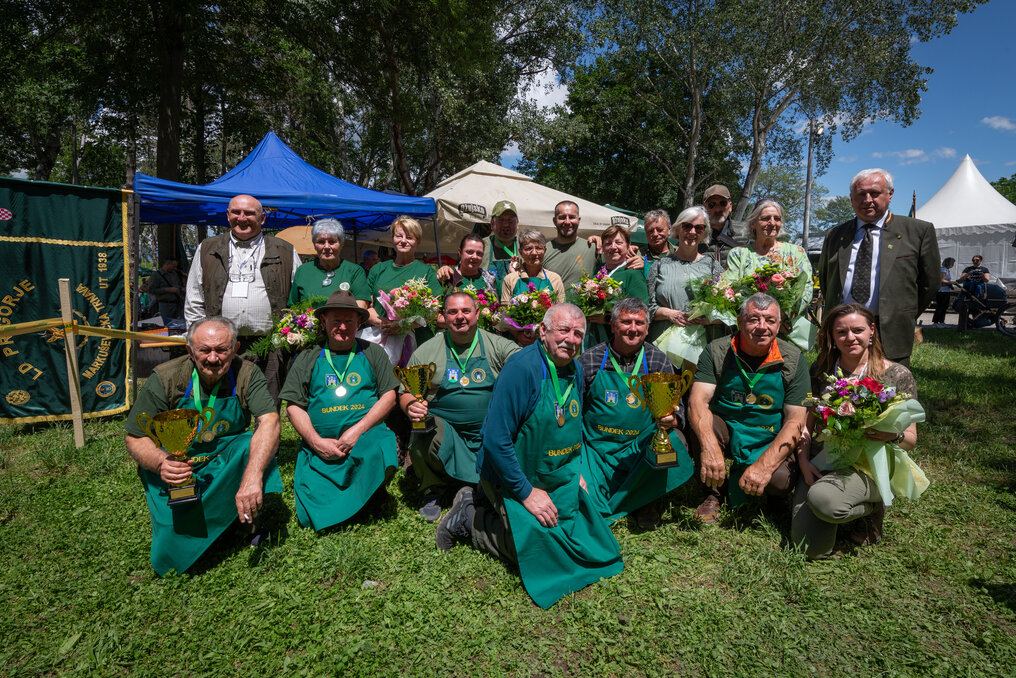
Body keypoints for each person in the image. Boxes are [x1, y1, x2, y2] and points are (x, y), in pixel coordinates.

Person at [435, 303, 623, 609]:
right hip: (511, 475)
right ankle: (469, 519)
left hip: (556, 473)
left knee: (594, 539)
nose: (571, 339)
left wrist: (578, 473)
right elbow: (495, 441)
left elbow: (572, 426)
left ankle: (486, 507)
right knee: (541, 548)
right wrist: (526, 493)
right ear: (543, 331)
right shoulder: (521, 369)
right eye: (563, 330)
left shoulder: (575, 368)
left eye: (578, 333)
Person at [124, 316, 283, 575]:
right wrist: (161, 463)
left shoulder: (246, 372)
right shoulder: (165, 377)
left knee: (248, 445)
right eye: (204, 350)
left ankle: (246, 524)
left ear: (235, 348)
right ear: (189, 350)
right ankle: (211, 522)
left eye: (222, 350)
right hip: (178, 465)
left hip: (224, 457)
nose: (213, 358)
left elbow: (270, 420)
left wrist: (253, 477)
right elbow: (134, 436)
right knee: (171, 551)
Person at [792, 303, 919, 558]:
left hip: (868, 464)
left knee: (824, 501)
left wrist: (889, 436)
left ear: (871, 331)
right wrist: (803, 461)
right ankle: (831, 501)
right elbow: (806, 422)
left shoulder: (896, 374)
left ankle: (871, 508)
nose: (850, 337)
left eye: (858, 330)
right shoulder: (820, 370)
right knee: (809, 549)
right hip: (822, 458)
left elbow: (911, 440)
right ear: (831, 336)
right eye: (841, 332)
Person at [280, 290, 400, 532]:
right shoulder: (308, 357)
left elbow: (389, 396)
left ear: (359, 323)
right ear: (324, 322)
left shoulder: (372, 352)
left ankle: (372, 492)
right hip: (322, 448)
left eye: (349, 321)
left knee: (382, 443)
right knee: (314, 507)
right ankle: (357, 499)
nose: (343, 327)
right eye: (336, 321)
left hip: (364, 440)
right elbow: (294, 406)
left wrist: (356, 431)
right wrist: (316, 442)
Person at [399, 292, 520, 521]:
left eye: (466, 311)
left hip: (488, 433)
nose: (459, 317)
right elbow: (406, 392)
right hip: (446, 433)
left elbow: (525, 367)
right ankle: (432, 489)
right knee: (422, 426)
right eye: (452, 312)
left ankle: (471, 484)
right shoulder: (428, 351)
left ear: (477, 314)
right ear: (443, 316)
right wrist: (411, 406)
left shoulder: (498, 345)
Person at [688, 293, 809, 522]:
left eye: (770, 320)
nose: (762, 327)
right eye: (754, 319)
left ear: (779, 325)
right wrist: (710, 448)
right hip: (728, 426)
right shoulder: (717, 351)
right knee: (703, 425)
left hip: (769, 432)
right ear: (740, 321)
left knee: (780, 480)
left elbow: (796, 421)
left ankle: (775, 499)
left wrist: (764, 467)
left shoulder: (793, 358)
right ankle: (712, 495)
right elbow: (697, 401)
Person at [579, 297, 694, 528]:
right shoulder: (589, 359)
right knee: (585, 503)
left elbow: (678, 409)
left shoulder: (657, 359)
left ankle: (646, 500)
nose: (633, 329)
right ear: (612, 326)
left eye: (639, 323)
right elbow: (575, 410)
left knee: (674, 441)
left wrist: (671, 419)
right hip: (597, 448)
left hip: (638, 447)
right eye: (626, 322)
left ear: (648, 328)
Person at [184, 194, 303, 407]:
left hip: (271, 344)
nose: (242, 218)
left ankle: (266, 441)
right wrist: (198, 339)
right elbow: (194, 298)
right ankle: (227, 440)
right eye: (236, 212)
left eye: (249, 213)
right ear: (227, 215)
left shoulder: (285, 250)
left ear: (262, 218)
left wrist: (292, 335)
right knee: (224, 402)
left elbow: (299, 297)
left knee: (268, 406)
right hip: (221, 347)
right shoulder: (207, 248)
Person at [817, 168, 940, 366]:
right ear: (851, 198)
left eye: (875, 193)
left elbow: (930, 282)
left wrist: (901, 312)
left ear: (890, 195)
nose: (867, 200)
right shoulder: (835, 235)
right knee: (839, 389)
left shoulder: (918, 231)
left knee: (891, 392)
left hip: (891, 330)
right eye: (860, 194)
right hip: (843, 331)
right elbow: (825, 279)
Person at [365, 215, 443, 353]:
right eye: (399, 236)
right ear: (393, 239)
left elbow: (433, 313)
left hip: (418, 344)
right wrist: (384, 323)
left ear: (417, 242)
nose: (403, 241)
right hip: (382, 340)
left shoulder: (427, 272)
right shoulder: (378, 269)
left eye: (409, 237)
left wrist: (402, 325)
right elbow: (366, 306)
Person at [724, 199, 813, 319]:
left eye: (777, 218)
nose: (772, 223)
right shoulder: (738, 254)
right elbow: (731, 289)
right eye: (766, 218)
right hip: (751, 324)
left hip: (788, 324)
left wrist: (784, 317)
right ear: (753, 223)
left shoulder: (796, 252)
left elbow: (807, 288)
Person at [647, 206, 722, 343]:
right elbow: (647, 308)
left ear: (704, 232)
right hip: (664, 343)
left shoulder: (713, 267)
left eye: (699, 228)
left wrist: (707, 318)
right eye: (687, 226)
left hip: (700, 344)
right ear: (677, 229)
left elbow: (725, 310)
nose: (692, 232)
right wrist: (669, 314)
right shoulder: (659, 266)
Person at [584, 224, 649, 347]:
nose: (613, 247)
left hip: (620, 342)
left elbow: (641, 311)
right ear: (602, 247)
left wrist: (607, 319)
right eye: (608, 243)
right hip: (594, 339)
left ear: (628, 245)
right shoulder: (599, 270)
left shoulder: (632, 272)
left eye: (618, 242)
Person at [500, 229, 565, 346]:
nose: (534, 253)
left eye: (539, 248)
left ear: (544, 250)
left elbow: (561, 313)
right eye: (528, 248)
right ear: (520, 251)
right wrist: (519, 335)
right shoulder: (510, 279)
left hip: (546, 342)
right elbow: (504, 315)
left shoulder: (554, 279)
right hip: (516, 343)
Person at [289, 218, 371, 309]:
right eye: (321, 242)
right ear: (314, 244)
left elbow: (361, 306)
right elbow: (293, 307)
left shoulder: (355, 271)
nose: (327, 247)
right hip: (307, 323)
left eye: (332, 242)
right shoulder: (303, 271)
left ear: (341, 244)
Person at [543, 201, 598, 290]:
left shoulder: (593, 248)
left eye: (572, 217)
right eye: (562, 217)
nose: (567, 222)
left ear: (579, 220)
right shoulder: (543, 251)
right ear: (554, 221)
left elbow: (617, 263)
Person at [478, 199, 521, 283]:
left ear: (517, 224)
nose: (506, 224)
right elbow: (463, 271)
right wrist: (446, 269)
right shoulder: (480, 246)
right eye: (500, 220)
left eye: (510, 220)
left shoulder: (527, 246)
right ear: (492, 224)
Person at [700, 184, 742, 267]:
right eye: (712, 204)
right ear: (704, 209)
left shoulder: (746, 233)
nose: (718, 209)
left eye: (723, 203)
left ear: (730, 207)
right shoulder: (695, 234)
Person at [639, 209, 676, 279]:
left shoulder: (680, 253)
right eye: (650, 231)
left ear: (669, 230)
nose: (655, 234)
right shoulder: (638, 255)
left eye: (659, 229)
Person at [931, 257, 956, 327]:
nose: (953, 264)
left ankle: (941, 321)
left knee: (945, 306)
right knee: (940, 306)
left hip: (946, 291)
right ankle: (935, 322)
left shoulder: (947, 270)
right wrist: (951, 282)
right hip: (941, 291)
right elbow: (941, 280)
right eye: (952, 263)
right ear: (949, 263)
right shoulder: (943, 269)